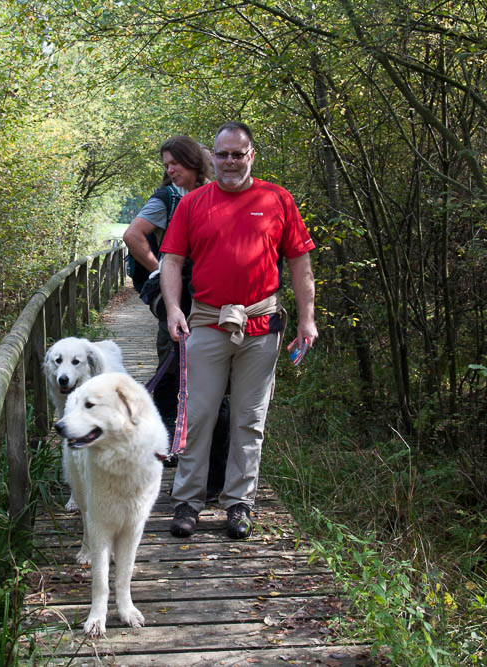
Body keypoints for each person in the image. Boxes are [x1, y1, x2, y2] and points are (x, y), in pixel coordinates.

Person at [160, 122, 317, 540]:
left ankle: (238, 503)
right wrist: (175, 309)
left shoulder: (277, 199)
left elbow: (300, 262)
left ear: (251, 156)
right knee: (198, 416)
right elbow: (172, 260)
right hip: (206, 323)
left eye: (238, 153)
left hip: (261, 327)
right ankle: (188, 502)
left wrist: (307, 318)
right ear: (212, 157)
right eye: (223, 154)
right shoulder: (193, 204)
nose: (230, 161)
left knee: (250, 419)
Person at [122, 137, 228, 498]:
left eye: (174, 163)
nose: (169, 170)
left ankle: (194, 450)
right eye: (165, 164)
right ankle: (172, 443)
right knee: (174, 369)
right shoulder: (167, 197)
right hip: (179, 302)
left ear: (193, 161)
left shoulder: (214, 192)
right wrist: (160, 274)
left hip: (210, 299)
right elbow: (133, 235)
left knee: (202, 377)